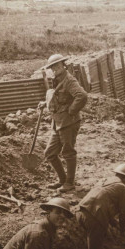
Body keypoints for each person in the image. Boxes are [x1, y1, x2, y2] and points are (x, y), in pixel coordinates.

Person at [38, 54, 88, 193]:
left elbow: (82, 96)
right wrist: (46, 103)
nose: (55, 68)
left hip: (68, 123)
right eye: (52, 67)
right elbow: (59, 97)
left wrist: (71, 111)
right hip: (58, 122)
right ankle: (62, 180)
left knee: (68, 152)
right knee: (50, 153)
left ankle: (69, 183)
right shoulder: (57, 79)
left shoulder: (69, 80)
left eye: (57, 65)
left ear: (63, 65)